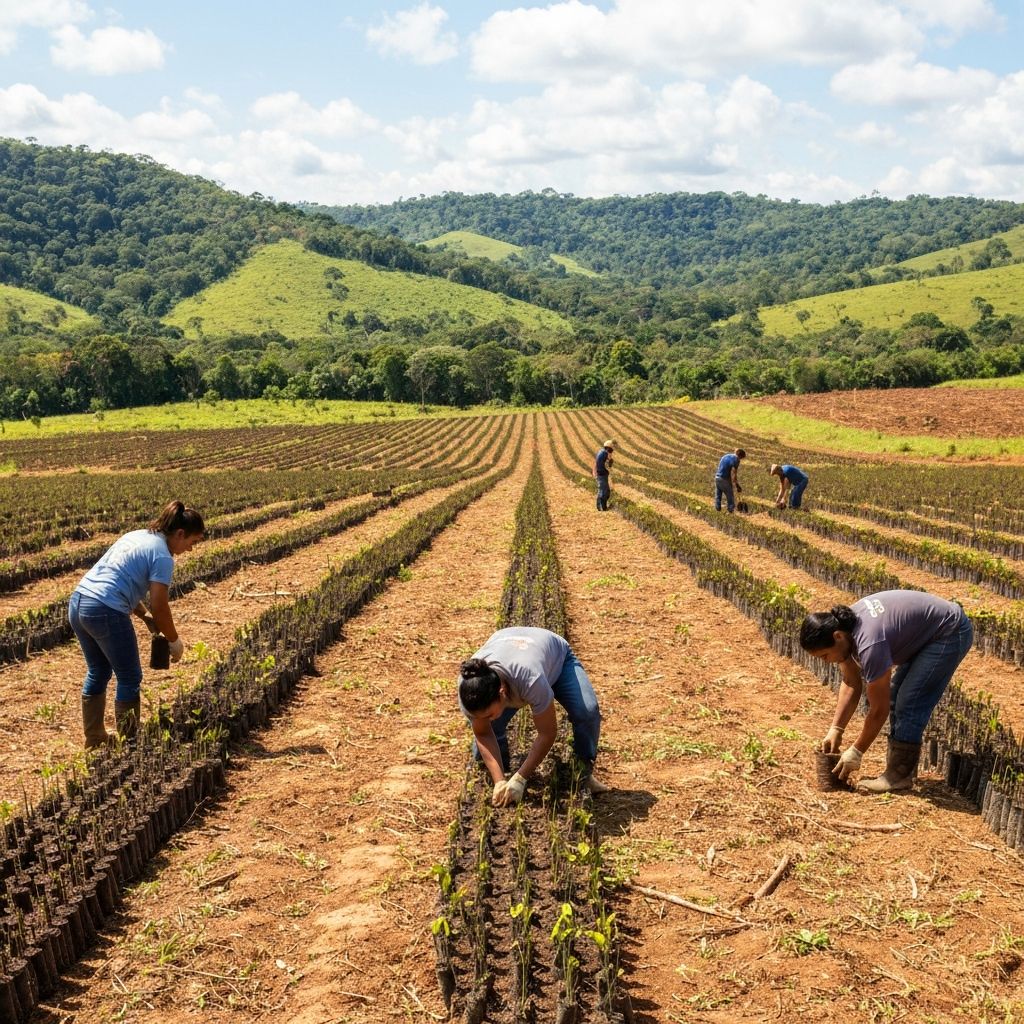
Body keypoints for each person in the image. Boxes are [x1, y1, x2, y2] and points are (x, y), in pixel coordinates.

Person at [799, 590, 973, 793]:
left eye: (824, 656)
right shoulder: (845, 627)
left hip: (949, 631)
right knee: (897, 695)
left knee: (909, 702)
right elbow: (851, 680)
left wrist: (856, 751)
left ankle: (898, 777)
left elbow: (878, 710)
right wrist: (836, 729)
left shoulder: (870, 643)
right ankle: (899, 769)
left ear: (836, 636)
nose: (826, 661)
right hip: (930, 631)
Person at [70, 500, 205, 747]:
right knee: (130, 676)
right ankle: (130, 743)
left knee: (98, 671)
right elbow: (159, 605)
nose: (190, 549)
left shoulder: (137, 536)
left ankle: (95, 738)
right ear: (180, 533)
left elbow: (118, 578)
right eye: (192, 542)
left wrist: (144, 617)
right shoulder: (163, 556)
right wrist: (174, 640)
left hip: (79, 602)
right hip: (105, 609)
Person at [457, 626, 605, 805]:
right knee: (484, 754)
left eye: (488, 714)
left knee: (587, 711)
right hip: (509, 643)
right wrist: (499, 780)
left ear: (502, 693)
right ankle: (503, 775)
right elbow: (482, 733)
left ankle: (583, 774)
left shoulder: (529, 679)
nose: (486, 719)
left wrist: (521, 778)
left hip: (555, 658)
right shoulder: (470, 686)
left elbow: (547, 733)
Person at [714, 448, 746, 512]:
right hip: (724, 479)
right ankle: (730, 511)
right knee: (730, 496)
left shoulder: (726, 456)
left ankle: (717, 509)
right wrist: (737, 485)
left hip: (717, 477)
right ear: (740, 456)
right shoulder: (736, 460)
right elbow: (734, 474)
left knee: (718, 495)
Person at [593, 440, 614, 511]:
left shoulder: (601, 451)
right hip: (602, 475)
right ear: (608, 448)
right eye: (611, 449)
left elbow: (596, 463)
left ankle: (601, 506)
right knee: (603, 491)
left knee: (606, 491)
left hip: (600, 474)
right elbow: (608, 465)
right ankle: (602, 507)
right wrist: (611, 460)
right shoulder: (605, 453)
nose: (611, 451)